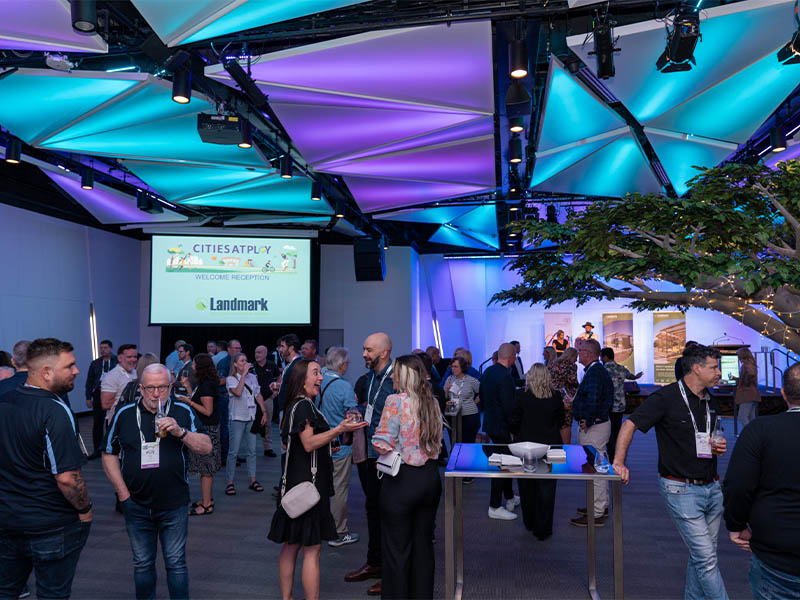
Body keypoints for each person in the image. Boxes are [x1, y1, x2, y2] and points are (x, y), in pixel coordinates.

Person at [613, 344, 729, 600]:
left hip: (712, 488)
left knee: (702, 556)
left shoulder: (711, 399)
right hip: (681, 489)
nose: (719, 372)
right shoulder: (666, 398)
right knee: (706, 558)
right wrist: (619, 461)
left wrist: (716, 445)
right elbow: (630, 424)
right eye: (714, 367)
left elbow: (706, 436)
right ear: (696, 369)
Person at [102, 363, 211, 600]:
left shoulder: (182, 410)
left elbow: (206, 447)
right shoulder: (125, 413)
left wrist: (180, 432)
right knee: (142, 564)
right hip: (136, 503)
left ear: (170, 387)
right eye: (150, 388)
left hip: (174, 503)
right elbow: (108, 453)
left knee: (176, 563)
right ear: (140, 388)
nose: (155, 394)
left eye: (161, 387)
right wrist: (123, 495)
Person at [0, 338, 92, 600]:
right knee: (53, 594)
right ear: (46, 372)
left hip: (7, 522)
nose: (76, 370)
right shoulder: (55, 409)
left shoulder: (4, 401)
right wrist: (85, 510)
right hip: (50, 526)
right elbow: (67, 479)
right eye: (70, 366)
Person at [268, 360, 366, 600]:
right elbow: (309, 442)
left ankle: (287, 597)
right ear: (302, 379)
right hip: (307, 488)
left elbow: (299, 445)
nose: (321, 378)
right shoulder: (303, 407)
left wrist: (327, 447)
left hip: (295, 483)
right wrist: (339, 429)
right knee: (311, 550)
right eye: (316, 374)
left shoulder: (296, 405)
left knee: (291, 545)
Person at [723, 362, 800, 599]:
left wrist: (736, 525)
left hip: (777, 556)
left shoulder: (759, 430)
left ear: (783, 393)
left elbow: (738, 486)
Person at [372, 354, 442, 599]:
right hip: (430, 480)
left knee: (396, 551)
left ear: (404, 376)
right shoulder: (431, 402)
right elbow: (438, 443)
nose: (391, 376)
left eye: (395, 372)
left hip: (402, 482)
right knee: (423, 547)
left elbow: (383, 443)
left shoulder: (395, 401)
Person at [345, 332, 395, 597]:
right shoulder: (372, 378)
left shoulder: (395, 377)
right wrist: (357, 411)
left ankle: (390, 573)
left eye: (368, 350)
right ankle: (375, 563)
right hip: (370, 454)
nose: (363, 354)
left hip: (387, 457)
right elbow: (372, 408)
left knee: (388, 515)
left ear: (383, 353)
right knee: (373, 510)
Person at [510, 363, 564, 540]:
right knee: (547, 487)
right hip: (550, 447)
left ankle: (529, 522)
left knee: (526, 485)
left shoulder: (521, 396)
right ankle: (543, 529)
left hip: (526, 448)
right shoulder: (556, 396)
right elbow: (561, 420)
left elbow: (514, 420)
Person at [316, 347, 361, 547]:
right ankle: (338, 532)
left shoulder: (318, 379)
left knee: (321, 486)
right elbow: (351, 416)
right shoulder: (344, 387)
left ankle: (319, 527)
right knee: (339, 489)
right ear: (342, 365)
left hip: (319, 442)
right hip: (340, 445)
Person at [570, 339, 614, 527]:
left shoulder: (594, 372)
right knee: (599, 465)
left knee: (595, 467)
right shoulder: (596, 371)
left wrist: (586, 420)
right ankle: (600, 506)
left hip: (594, 428)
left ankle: (596, 513)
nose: (578, 354)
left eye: (580, 352)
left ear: (588, 353)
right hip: (597, 425)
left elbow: (593, 399)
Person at [480, 342, 520, 520]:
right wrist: (513, 428)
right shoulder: (505, 376)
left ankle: (510, 497)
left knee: (505, 462)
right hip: (503, 427)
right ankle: (495, 505)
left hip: (490, 424)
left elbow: (483, 396)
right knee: (503, 465)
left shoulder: (488, 371)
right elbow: (509, 407)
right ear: (512, 358)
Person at [181, 353, 221, 516]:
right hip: (208, 428)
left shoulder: (206, 385)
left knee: (206, 468)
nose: (192, 366)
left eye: (194, 364)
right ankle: (207, 499)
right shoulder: (204, 383)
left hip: (208, 429)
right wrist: (189, 389)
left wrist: (188, 401)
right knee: (206, 468)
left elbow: (207, 410)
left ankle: (206, 505)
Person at [225, 352, 267, 495]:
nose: (245, 363)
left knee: (252, 451)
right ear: (235, 364)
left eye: (246, 360)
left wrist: (264, 411)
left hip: (251, 417)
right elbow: (237, 392)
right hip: (236, 417)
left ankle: (253, 480)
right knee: (234, 452)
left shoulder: (253, 377)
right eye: (242, 361)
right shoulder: (230, 379)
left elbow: (258, 394)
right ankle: (230, 482)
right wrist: (243, 375)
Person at [600, 347, 642, 462]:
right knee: (617, 430)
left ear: (605, 357)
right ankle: (618, 456)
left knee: (608, 432)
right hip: (620, 405)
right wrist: (637, 376)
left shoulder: (603, 370)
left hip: (608, 406)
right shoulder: (621, 368)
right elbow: (631, 377)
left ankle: (610, 455)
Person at [84, 340, 117, 459]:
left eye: (105, 348)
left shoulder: (117, 361)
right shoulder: (95, 363)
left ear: (111, 349)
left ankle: (110, 448)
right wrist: (88, 397)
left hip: (113, 395)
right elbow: (89, 381)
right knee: (97, 423)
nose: (102, 350)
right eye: (101, 348)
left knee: (111, 422)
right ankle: (97, 450)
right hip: (98, 394)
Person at [443, 356, 481, 444]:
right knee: (454, 440)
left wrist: (474, 402)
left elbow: (482, 392)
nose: (453, 369)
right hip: (452, 412)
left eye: (456, 366)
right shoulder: (449, 379)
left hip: (469, 414)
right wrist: (446, 391)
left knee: (467, 441)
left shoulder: (471, 380)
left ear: (462, 367)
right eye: (452, 366)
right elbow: (445, 397)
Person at [216, 339, 241, 463]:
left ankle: (233, 454)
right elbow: (219, 381)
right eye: (235, 348)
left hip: (236, 398)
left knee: (234, 428)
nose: (238, 351)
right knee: (225, 428)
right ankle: (225, 456)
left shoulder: (239, 362)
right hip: (224, 397)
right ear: (229, 349)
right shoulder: (224, 363)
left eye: (239, 348)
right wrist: (234, 378)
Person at [100, 343, 138, 425]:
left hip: (134, 420)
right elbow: (105, 404)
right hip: (118, 422)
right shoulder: (112, 376)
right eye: (129, 357)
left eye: (135, 357)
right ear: (119, 358)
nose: (133, 360)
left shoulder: (136, 373)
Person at [548, 347, 579, 444]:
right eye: (576, 357)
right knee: (566, 423)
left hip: (552, 396)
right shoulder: (571, 366)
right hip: (566, 399)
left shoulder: (554, 364)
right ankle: (566, 448)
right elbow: (573, 381)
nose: (576, 360)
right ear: (572, 356)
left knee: (554, 421)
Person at [253, 345, 279, 457]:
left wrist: (276, 391)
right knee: (253, 425)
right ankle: (251, 449)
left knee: (267, 424)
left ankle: (268, 448)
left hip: (268, 399)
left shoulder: (272, 365)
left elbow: (279, 377)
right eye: (255, 352)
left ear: (265, 353)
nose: (256, 354)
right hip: (253, 401)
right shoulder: (251, 367)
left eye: (259, 352)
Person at [734, 347, 759, 431]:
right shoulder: (751, 364)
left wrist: (744, 382)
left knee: (742, 416)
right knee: (751, 417)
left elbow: (750, 376)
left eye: (738, 355)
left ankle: (751, 434)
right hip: (753, 394)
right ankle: (755, 435)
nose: (738, 357)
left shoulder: (747, 365)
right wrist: (737, 379)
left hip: (747, 394)